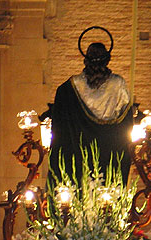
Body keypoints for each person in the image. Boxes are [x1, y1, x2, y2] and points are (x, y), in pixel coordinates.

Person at [49, 29, 134, 183]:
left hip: (78, 154)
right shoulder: (118, 84)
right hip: (111, 153)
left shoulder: (70, 86)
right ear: (107, 60)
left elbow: (61, 128)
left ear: (86, 60)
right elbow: (126, 123)